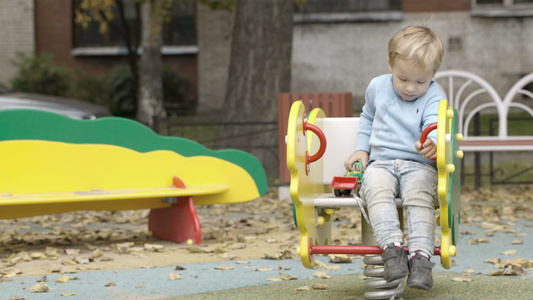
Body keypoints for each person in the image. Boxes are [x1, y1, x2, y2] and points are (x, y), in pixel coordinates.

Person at [344, 25, 445, 290]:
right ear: (390, 64)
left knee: (419, 196)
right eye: (403, 79)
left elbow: (435, 124)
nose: (411, 88)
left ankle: (421, 259)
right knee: (374, 189)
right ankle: (393, 251)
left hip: (418, 164)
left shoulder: (434, 95)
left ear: (433, 75)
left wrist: (433, 143)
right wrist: (361, 149)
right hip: (381, 163)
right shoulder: (377, 87)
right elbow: (367, 118)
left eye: (421, 81)